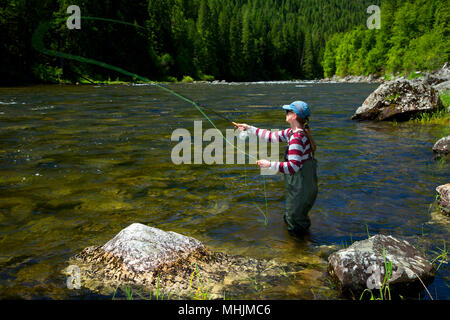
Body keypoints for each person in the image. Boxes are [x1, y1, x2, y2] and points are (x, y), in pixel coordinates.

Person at [233, 101, 318, 236]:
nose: (285, 113)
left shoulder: (296, 138)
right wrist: (248, 128)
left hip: (302, 186)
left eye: (287, 111)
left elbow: (293, 167)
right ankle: (301, 249)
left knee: (295, 220)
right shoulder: (293, 132)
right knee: (293, 217)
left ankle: (296, 251)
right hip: (304, 184)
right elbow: (271, 136)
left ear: (294, 116)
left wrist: (269, 165)